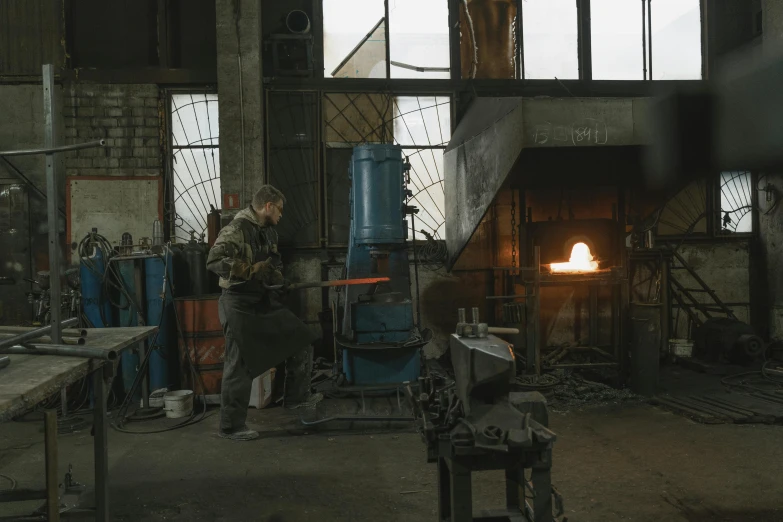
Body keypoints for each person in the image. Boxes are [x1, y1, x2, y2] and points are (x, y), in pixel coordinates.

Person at [206, 185, 322, 441]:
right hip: (236, 303)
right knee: (239, 365)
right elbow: (214, 261)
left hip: (260, 300)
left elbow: (273, 264)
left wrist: (277, 280)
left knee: (300, 338)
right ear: (268, 206)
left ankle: (295, 398)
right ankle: (231, 427)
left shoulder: (269, 233)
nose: (282, 215)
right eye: (280, 209)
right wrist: (247, 270)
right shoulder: (236, 229)